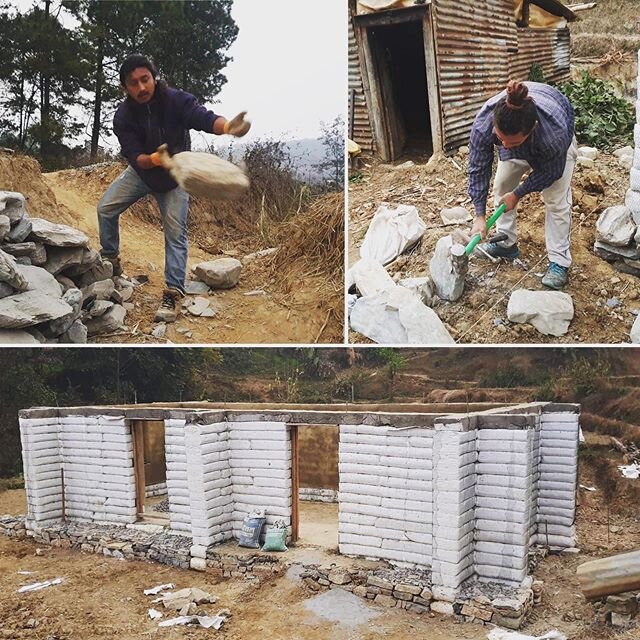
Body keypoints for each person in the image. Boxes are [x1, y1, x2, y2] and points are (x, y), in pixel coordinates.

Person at [97, 54, 250, 322]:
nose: (142, 87)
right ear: (125, 87)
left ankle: (172, 292)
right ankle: (111, 260)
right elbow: (135, 156)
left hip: (176, 178)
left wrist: (227, 126)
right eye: (134, 83)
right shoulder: (123, 116)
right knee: (105, 209)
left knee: (175, 233)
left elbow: (203, 117)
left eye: (145, 79)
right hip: (141, 174)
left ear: (154, 77)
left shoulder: (175, 100)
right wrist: (155, 159)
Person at [467, 80, 577, 290]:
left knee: (556, 200)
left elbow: (551, 172)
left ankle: (559, 261)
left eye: (513, 143)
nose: (505, 146)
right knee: (501, 187)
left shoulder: (554, 135)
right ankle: (506, 243)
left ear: (532, 129)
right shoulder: (485, 124)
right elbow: (478, 167)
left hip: (553, 150)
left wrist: (518, 193)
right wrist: (479, 215)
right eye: (501, 140)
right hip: (518, 134)